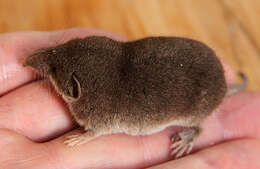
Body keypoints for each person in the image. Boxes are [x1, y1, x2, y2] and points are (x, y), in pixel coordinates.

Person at [0, 28, 259, 169]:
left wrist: (88, 135)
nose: (39, 60)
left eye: (53, 71)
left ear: (74, 91)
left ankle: (195, 129)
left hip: (199, 94)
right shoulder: (108, 59)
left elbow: (103, 125)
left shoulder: (96, 112)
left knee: (193, 112)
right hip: (193, 64)